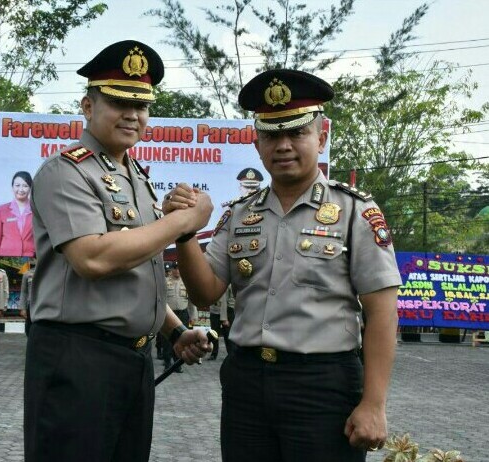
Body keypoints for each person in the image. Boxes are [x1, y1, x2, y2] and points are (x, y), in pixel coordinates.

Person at [167, 69, 402, 461]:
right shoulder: (239, 214)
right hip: (246, 384)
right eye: (273, 135)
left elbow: (382, 313)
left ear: (321, 136)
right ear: (257, 144)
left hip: (323, 386)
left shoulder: (355, 212)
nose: (284, 145)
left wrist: (374, 404)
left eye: (297, 133)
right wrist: (185, 233)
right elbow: (205, 293)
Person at [25, 39, 213, 462]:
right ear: (88, 107)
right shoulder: (66, 171)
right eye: (117, 102)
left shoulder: (135, 177)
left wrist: (175, 331)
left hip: (132, 358)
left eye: (141, 105)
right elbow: (93, 258)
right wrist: (182, 222)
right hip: (78, 358)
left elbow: (136, 269)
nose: (132, 114)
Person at [162, 262, 198, 373]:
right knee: (167, 340)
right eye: (175, 269)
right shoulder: (165, 282)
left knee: (181, 338)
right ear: (172, 270)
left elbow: (192, 301)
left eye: (179, 269)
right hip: (169, 314)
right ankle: (167, 362)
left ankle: (177, 364)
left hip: (183, 313)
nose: (177, 271)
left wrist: (193, 316)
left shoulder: (186, 282)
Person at [0, 171, 35, 257]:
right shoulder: (1, 209)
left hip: (29, 256)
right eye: (17, 185)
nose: (21, 189)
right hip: (6, 256)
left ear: (30, 188)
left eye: (25, 186)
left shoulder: (36, 210)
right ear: (12, 187)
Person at [208, 288, 228, 360]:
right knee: (214, 334)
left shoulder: (226, 282)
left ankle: (230, 354)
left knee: (227, 335)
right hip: (214, 311)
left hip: (226, 312)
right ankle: (214, 353)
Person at [18, 258, 35, 336]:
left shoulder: (47, 273)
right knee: (29, 329)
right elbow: (24, 292)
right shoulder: (27, 274)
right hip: (30, 305)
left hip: (43, 305)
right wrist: (23, 308)